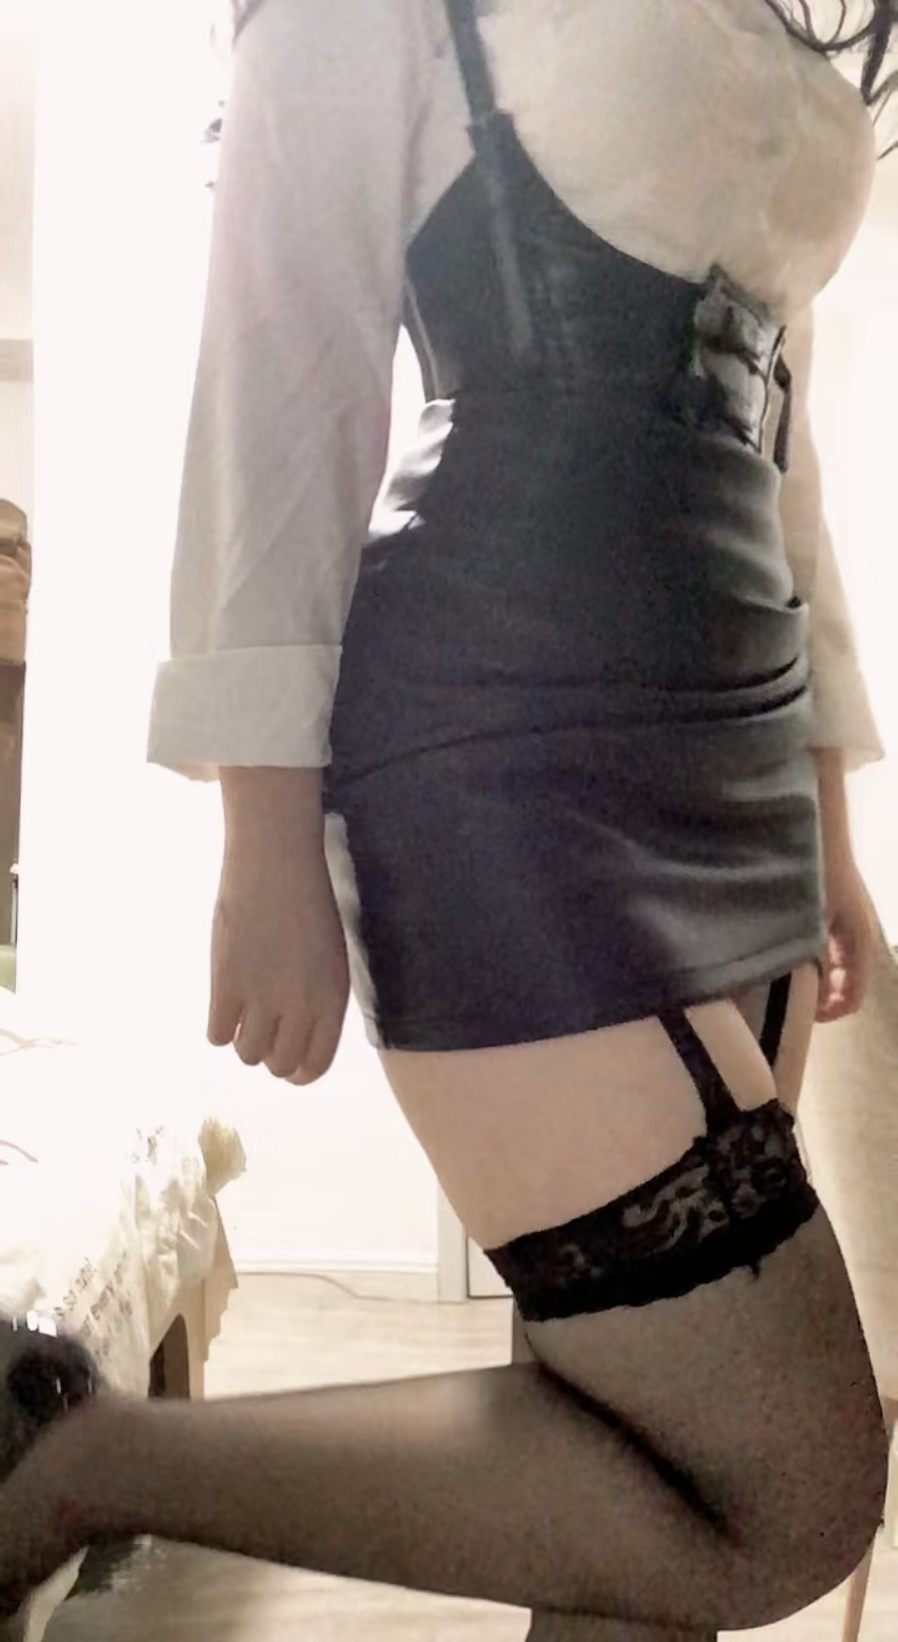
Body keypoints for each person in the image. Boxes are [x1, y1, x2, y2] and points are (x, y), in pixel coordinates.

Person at [1, 3, 895, 1638]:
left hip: (745, 759)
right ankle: (76, 1456)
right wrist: (263, 835)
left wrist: (828, 818)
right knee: (787, 1488)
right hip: (506, 733)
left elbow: (785, 449)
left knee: (636, 1493)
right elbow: (287, 362)